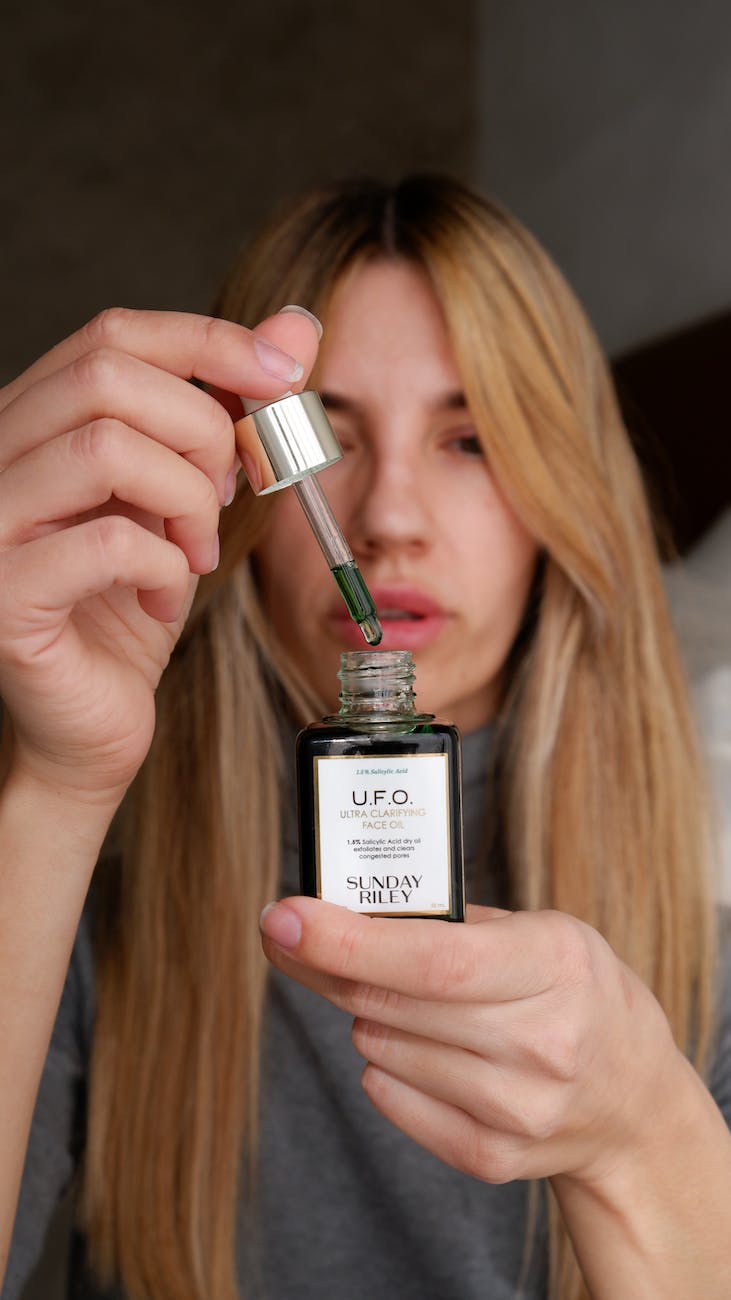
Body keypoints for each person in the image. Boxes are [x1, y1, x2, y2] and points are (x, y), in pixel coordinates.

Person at [0, 176, 729, 1300]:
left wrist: (646, 1136)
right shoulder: (93, 940)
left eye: (471, 439)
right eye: (322, 441)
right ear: (236, 492)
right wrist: (53, 782)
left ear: (565, 499)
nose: (386, 515)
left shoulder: (707, 976)